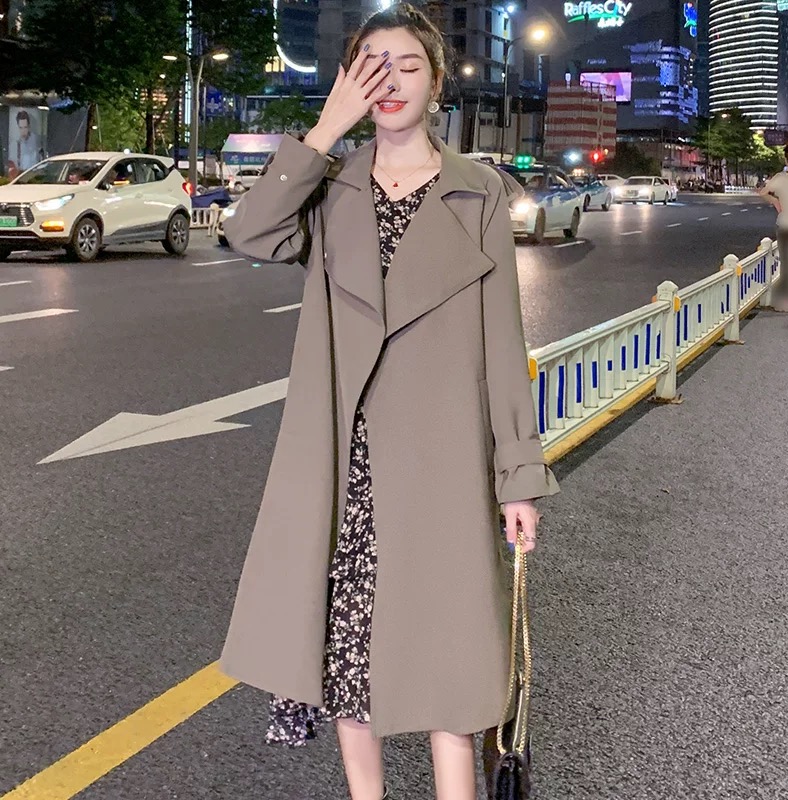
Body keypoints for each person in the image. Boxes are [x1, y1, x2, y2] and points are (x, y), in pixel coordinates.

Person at [219, 5, 559, 800]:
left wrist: (517, 476)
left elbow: (502, 342)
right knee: (349, 664)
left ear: (437, 81)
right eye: (371, 66)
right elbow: (250, 235)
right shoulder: (329, 184)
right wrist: (324, 129)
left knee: (450, 669)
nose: (391, 81)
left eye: (408, 65)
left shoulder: (477, 192)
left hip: (440, 459)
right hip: (343, 462)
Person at [759, 139, 788, 311]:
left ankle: (787, 302)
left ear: (786, 159)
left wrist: (776, 202)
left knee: (787, 263)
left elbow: (763, 192)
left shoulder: (780, 178)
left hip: (785, 225)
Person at [8, 110, 44, 177]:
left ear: (29, 126)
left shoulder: (36, 141)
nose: (23, 131)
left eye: (25, 127)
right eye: (21, 128)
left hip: (35, 177)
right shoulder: (14, 145)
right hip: (20, 177)